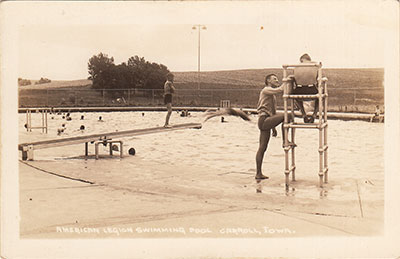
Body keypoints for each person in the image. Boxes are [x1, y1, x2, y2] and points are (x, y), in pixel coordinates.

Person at [256, 73, 293, 180]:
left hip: (266, 121)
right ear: (268, 81)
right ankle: (285, 140)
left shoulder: (271, 95)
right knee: (288, 115)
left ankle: (258, 173)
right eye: (275, 79)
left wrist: (273, 128)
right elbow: (281, 90)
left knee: (263, 148)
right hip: (263, 120)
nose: (277, 81)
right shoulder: (266, 90)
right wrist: (288, 79)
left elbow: (272, 112)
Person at [292, 53, 319, 123]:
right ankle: (314, 115)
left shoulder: (296, 67)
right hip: (312, 90)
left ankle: (304, 114)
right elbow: (318, 78)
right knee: (321, 96)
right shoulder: (315, 65)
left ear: (301, 60)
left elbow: (295, 79)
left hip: (299, 91)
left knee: (294, 96)